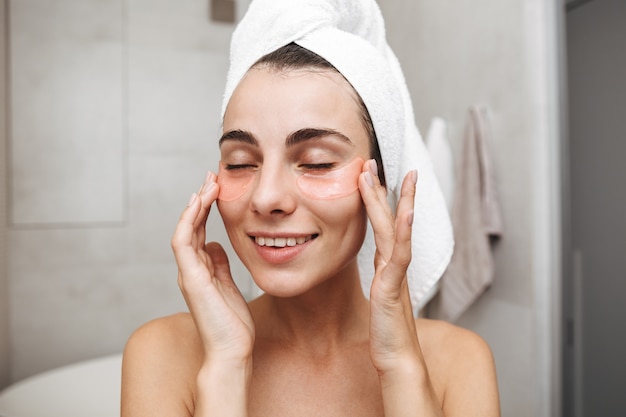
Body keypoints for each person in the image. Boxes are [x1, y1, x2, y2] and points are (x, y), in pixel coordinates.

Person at [121, 1, 500, 416]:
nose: (266, 198)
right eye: (240, 163)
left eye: (317, 162)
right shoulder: (163, 355)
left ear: (381, 181)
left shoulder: (457, 362)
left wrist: (401, 370)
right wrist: (227, 367)